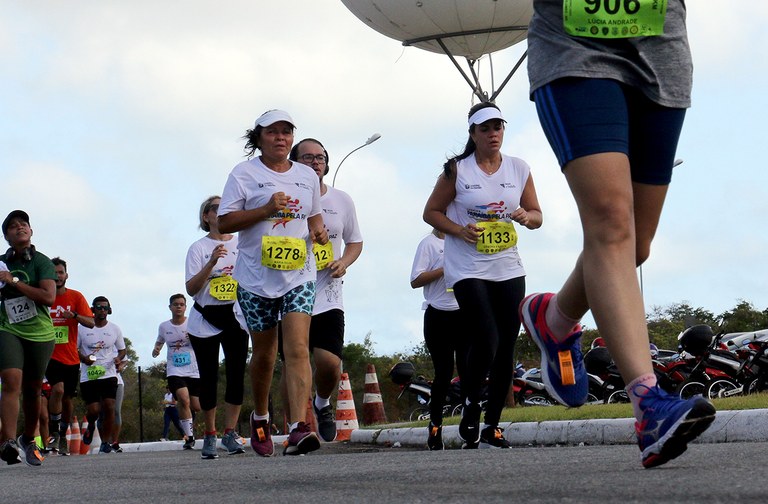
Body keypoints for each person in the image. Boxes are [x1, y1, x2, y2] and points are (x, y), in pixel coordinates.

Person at [521, 0, 715, 468]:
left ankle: (555, 317)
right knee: (610, 221)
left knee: (636, 245)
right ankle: (650, 405)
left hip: (660, 46)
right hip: (573, 43)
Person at [423, 103, 543, 449]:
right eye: (485, 128)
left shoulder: (519, 168)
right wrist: (459, 230)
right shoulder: (457, 171)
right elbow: (430, 212)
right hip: (468, 269)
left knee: (506, 347)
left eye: (497, 127)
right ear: (473, 134)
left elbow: (537, 216)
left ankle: (492, 425)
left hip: (507, 266)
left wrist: (525, 216)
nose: (493, 134)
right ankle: (472, 405)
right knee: (486, 338)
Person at [218, 109, 328, 457]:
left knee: (296, 349)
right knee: (264, 355)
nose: (280, 138)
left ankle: (298, 426)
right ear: (259, 138)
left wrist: (318, 231)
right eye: (273, 132)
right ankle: (261, 417)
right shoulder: (244, 174)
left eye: (286, 132)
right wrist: (265, 210)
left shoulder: (306, 176)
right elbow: (225, 221)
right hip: (254, 278)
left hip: (299, 274)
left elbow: (313, 215)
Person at [280, 138, 363, 442]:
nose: (315, 163)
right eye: (307, 158)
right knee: (292, 362)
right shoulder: (284, 197)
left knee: (329, 364)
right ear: (293, 162)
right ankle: (296, 429)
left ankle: (322, 403)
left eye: (320, 158)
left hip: (328, 295)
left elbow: (355, 241)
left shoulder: (342, 200)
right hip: (288, 292)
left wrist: (344, 262)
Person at [185, 195, 249, 459]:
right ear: (206, 216)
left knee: (236, 376)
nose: (224, 212)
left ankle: (230, 432)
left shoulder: (242, 243)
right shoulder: (198, 248)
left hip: (236, 315)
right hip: (205, 318)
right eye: (217, 208)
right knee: (209, 378)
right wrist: (211, 263)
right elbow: (190, 289)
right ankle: (209, 435)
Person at [0, 210, 56, 466]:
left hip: (40, 333)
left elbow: (48, 297)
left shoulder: (41, 262)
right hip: (8, 328)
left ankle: (28, 439)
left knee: (33, 390)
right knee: (11, 380)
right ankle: (8, 442)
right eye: (12, 226)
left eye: (24, 224)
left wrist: (13, 282)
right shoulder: (1, 263)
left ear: (31, 231)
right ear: (7, 236)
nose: (19, 227)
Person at [409, 228, 467, 450]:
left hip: (463, 312)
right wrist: (445, 269)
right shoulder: (429, 244)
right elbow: (415, 280)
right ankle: (435, 428)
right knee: (443, 373)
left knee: (468, 371)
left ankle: (469, 424)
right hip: (438, 314)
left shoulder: (463, 240)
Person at [47, 257, 94, 455]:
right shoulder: (43, 297)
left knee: (67, 399)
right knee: (56, 390)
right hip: (48, 354)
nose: (57, 276)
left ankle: (62, 432)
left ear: (66, 275)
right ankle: (53, 433)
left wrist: (74, 315)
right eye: (54, 273)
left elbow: (90, 323)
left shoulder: (76, 297)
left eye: (60, 272)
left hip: (70, 358)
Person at [77, 296, 126, 454]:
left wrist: (119, 358)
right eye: (99, 307)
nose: (102, 310)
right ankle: (91, 425)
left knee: (110, 406)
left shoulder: (115, 329)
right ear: (92, 309)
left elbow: (122, 349)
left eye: (105, 308)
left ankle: (106, 442)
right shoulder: (82, 328)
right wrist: (84, 359)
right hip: (89, 375)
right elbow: (74, 348)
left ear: (109, 310)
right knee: (94, 410)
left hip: (109, 374)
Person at [152, 294, 201, 450]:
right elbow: (160, 340)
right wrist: (157, 349)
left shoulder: (192, 323)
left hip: (193, 370)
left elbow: (202, 341)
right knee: (183, 399)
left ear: (185, 307)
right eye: (175, 304)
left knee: (196, 406)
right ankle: (189, 437)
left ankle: (190, 425)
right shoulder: (164, 326)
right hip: (174, 370)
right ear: (170, 307)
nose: (178, 307)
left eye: (181, 304)